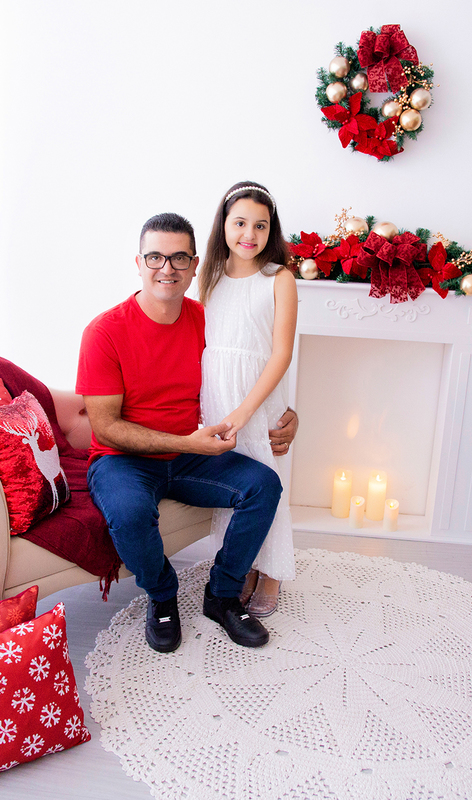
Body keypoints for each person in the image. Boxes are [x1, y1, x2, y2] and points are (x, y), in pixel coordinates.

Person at [77, 212, 298, 653]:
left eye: (179, 258)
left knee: (263, 486)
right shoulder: (104, 332)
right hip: (123, 461)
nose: (167, 268)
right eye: (155, 257)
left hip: (188, 455)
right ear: (137, 263)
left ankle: (222, 593)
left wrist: (289, 413)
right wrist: (186, 443)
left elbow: (252, 365)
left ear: (195, 265)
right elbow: (107, 428)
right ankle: (162, 596)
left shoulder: (204, 318)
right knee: (131, 513)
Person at [198, 182, 296, 617]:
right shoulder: (210, 278)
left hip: (257, 394)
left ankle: (272, 571)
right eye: (239, 223)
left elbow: (281, 352)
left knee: (266, 477)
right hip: (216, 393)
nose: (249, 234)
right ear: (223, 226)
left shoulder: (279, 279)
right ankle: (243, 567)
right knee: (236, 483)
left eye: (260, 225)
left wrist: (245, 409)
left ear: (270, 229)